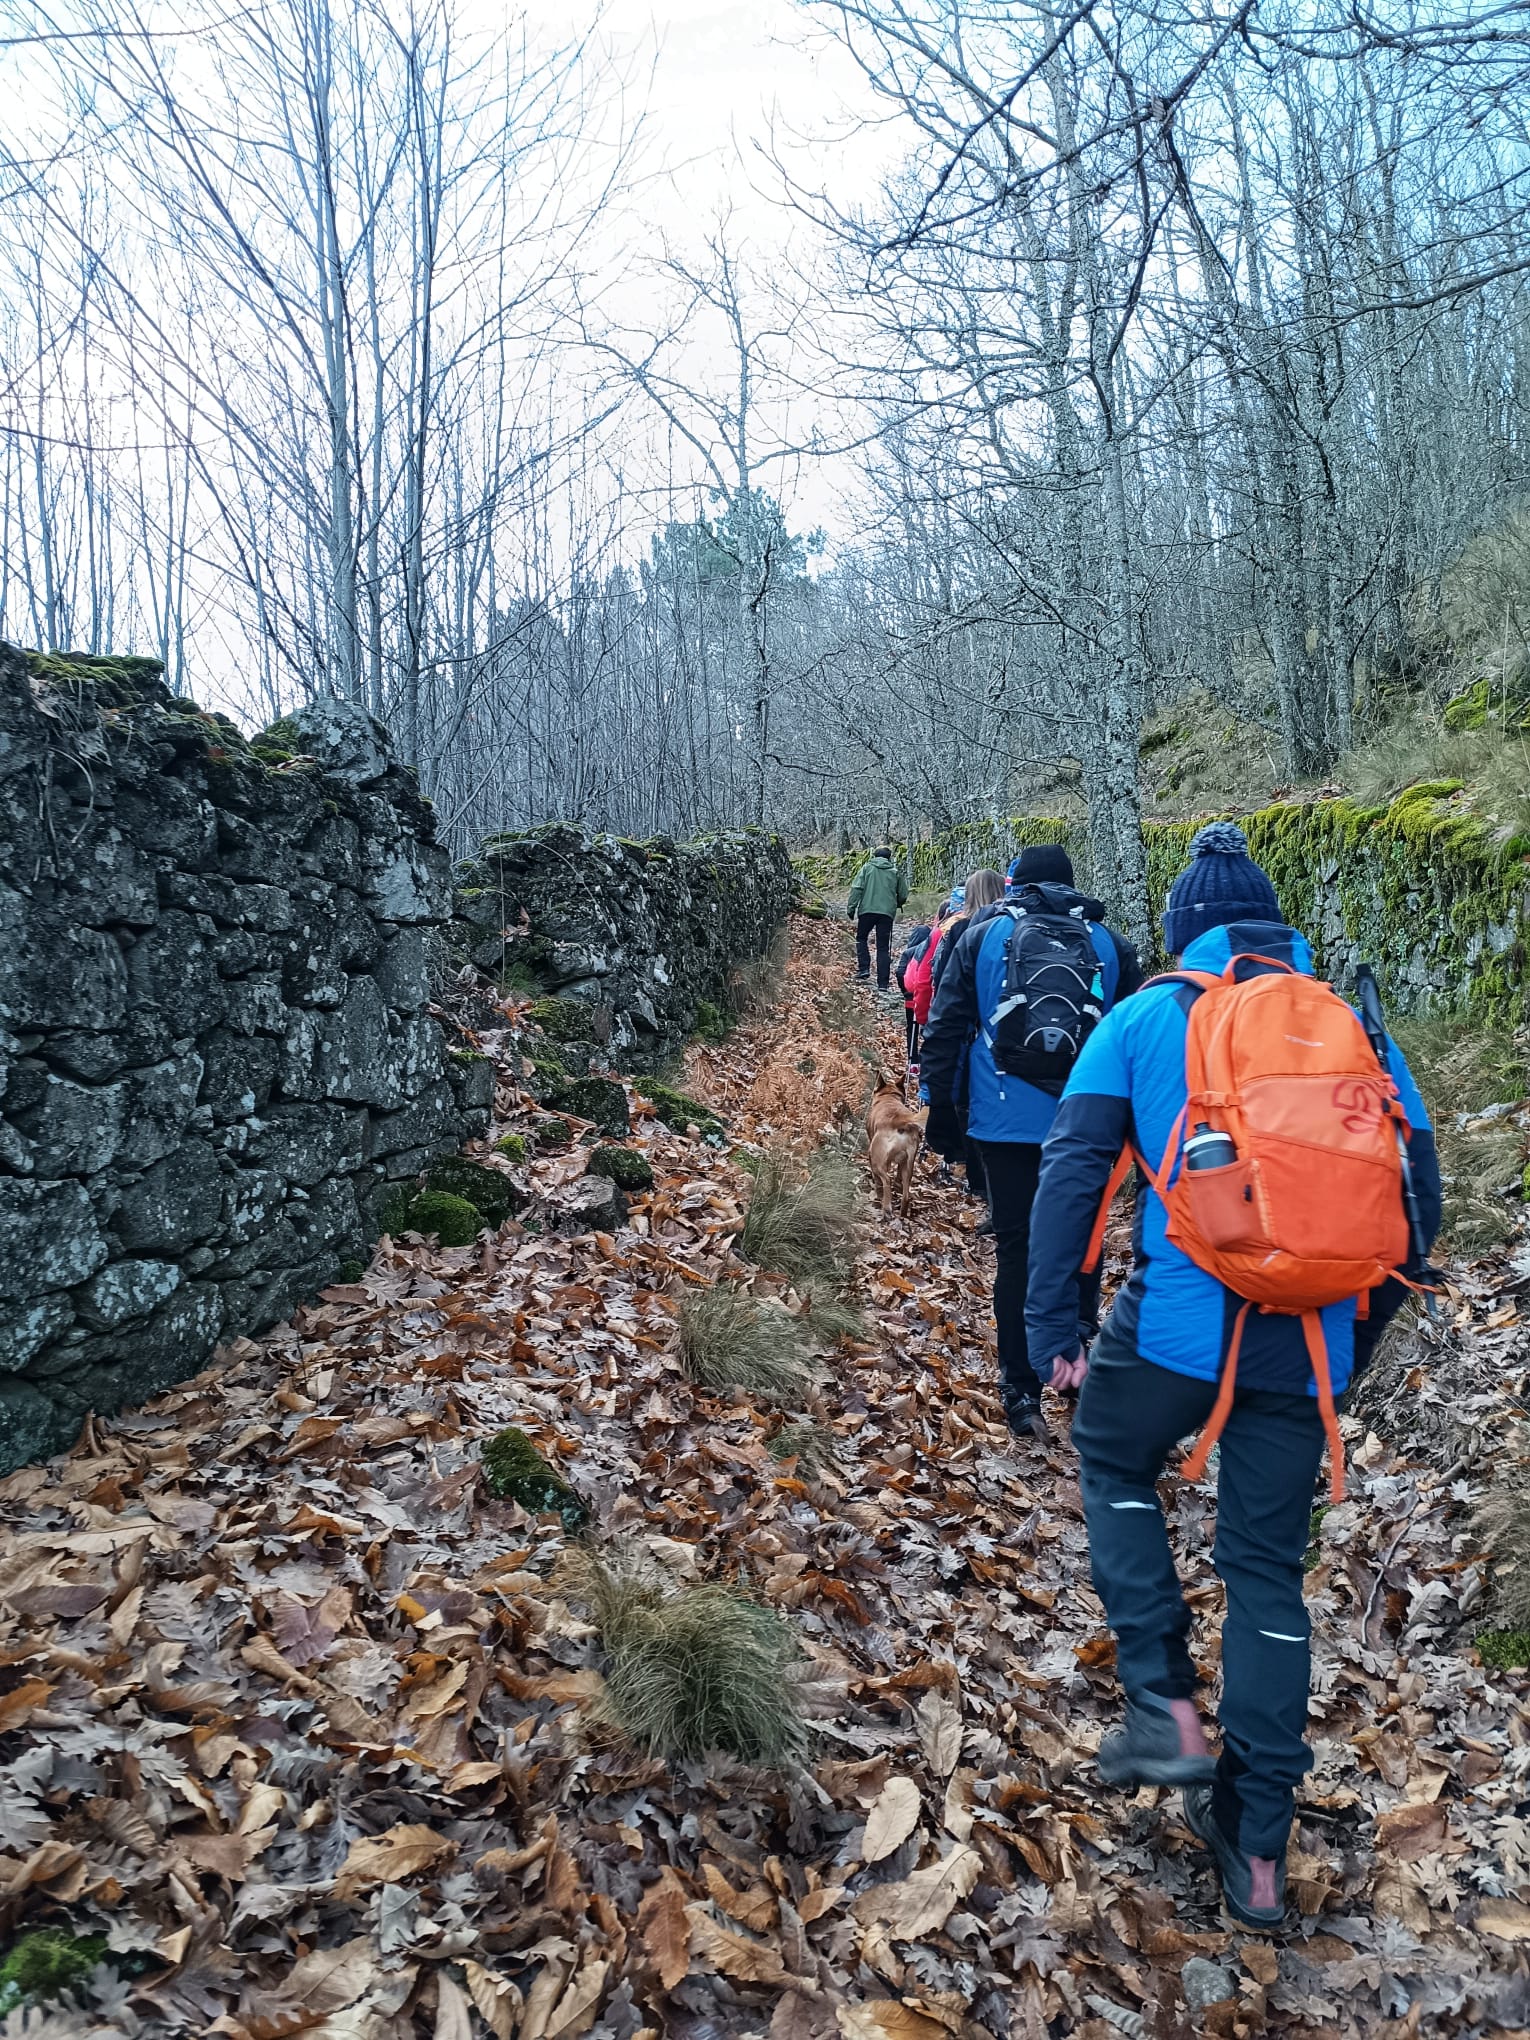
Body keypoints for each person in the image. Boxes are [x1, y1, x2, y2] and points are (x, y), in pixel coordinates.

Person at [1024, 822, 1441, 1931]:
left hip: (1176, 1333)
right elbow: (1420, 1201)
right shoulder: (1352, 1027)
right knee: (1266, 1573)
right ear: (1274, 928)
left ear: (1183, 934)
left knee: (1110, 1453)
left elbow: (1072, 1177)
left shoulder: (1142, 1017)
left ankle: (1163, 1702)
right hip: (1310, 1344)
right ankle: (1257, 1851)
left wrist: (1054, 1326)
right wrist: (1352, 1337)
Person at [921, 846, 1140, 1435]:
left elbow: (946, 1026)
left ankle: (1020, 1391)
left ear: (1017, 884)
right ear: (1071, 885)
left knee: (1017, 1249)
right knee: (1081, 1248)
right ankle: (1074, 1370)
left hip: (1003, 1118)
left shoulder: (980, 935)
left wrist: (940, 1108)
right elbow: (1131, 1043)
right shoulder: (1110, 943)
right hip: (1087, 1122)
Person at [847, 847, 908, 991]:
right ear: (889, 858)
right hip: (886, 913)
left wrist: (851, 908)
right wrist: (897, 903)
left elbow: (857, 888)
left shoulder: (867, 868)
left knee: (861, 938)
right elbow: (903, 894)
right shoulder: (895, 872)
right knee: (883, 947)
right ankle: (883, 984)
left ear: (874, 856)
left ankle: (864, 969)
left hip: (867, 910)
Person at [894, 919, 934, 1074]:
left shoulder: (908, 952)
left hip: (911, 998)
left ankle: (913, 1063)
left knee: (912, 1028)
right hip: (928, 997)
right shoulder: (931, 950)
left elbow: (900, 972)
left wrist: (905, 991)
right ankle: (927, 1060)